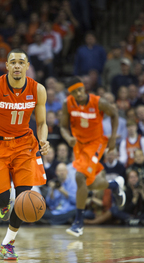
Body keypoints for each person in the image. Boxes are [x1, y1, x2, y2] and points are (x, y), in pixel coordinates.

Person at [0, 48, 49, 260]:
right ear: (6, 66)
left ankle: (8, 243)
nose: (17, 66)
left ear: (27, 66)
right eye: (12, 62)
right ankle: (3, 206)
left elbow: (41, 123)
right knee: (3, 199)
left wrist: (44, 139)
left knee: (23, 199)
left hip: (24, 146)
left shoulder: (38, 89)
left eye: (21, 62)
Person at [60, 77, 126, 237]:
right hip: (79, 146)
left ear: (84, 88)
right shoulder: (67, 104)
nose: (79, 94)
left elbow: (115, 114)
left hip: (96, 144)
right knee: (87, 185)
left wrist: (111, 139)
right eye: (75, 92)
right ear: (71, 94)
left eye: (80, 90)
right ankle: (114, 185)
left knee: (79, 176)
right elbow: (63, 126)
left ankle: (78, 222)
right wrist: (68, 138)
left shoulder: (98, 102)